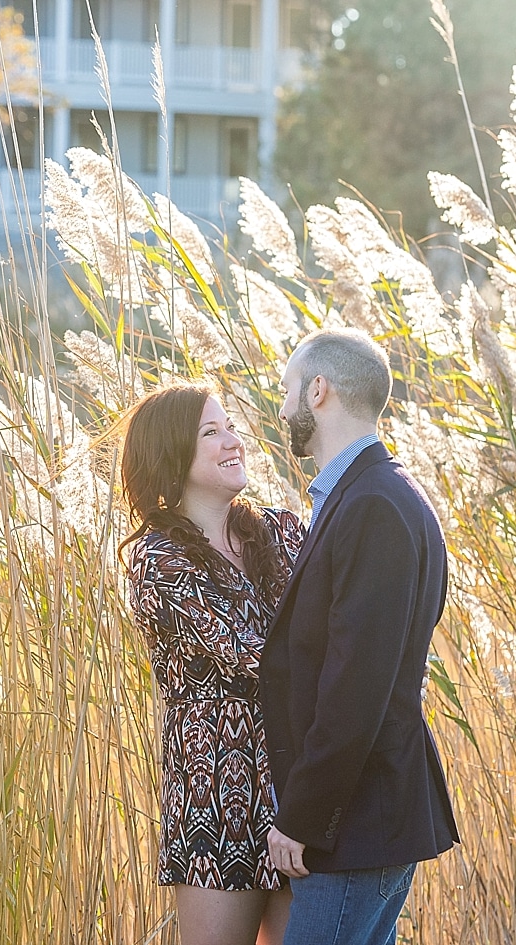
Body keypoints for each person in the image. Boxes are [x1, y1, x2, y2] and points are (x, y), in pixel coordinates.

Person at [259, 328, 459, 945]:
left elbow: (356, 685)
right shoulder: (371, 495)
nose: (283, 405)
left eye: (288, 390)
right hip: (364, 817)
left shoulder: (372, 504)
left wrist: (304, 815)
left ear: (318, 391)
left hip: (356, 821)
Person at [120, 383, 307, 945]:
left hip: (297, 789)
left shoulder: (283, 531)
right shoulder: (159, 559)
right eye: (211, 432)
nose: (233, 441)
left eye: (229, 426)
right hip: (215, 795)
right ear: (172, 454)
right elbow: (251, 653)